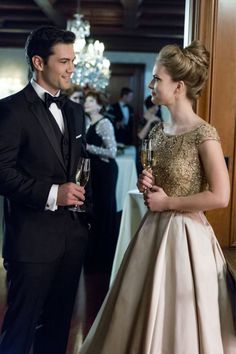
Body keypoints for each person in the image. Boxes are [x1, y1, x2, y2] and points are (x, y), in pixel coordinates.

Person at [78, 40, 236, 354]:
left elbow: (221, 196)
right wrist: (146, 180)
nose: (150, 84)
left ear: (178, 87)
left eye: (156, 78)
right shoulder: (158, 131)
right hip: (152, 234)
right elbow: (156, 178)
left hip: (187, 239)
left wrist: (168, 203)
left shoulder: (204, 134)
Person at [0, 26, 90, 354]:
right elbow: (1, 173)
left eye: (73, 61)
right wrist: (53, 194)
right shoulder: (10, 110)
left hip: (72, 240)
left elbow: (79, 167)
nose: (71, 68)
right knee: (19, 329)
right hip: (30, 243)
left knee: (57, 328)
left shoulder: (76, 112)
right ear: (39, 62)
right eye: (64, 61)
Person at [84, 91, 118, 273]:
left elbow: (112, 152)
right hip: (95, 172)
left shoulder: (104, 123)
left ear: (99, 105)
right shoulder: (90, 123)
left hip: (105, 172)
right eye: (86, 100)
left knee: (104, 210)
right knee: (95, 209)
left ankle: (104, 257)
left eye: (91, 101)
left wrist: (88, 147)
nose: (86, 103)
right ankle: (95, 254)